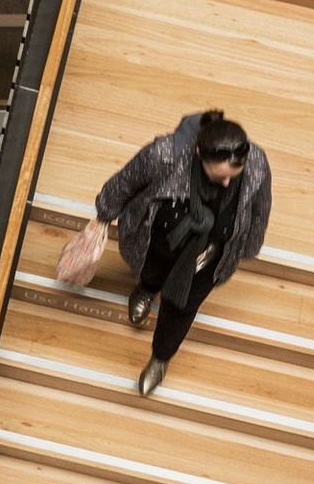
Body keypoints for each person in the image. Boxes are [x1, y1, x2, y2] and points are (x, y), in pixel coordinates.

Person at [93, 110, 271, 397]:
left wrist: (249, 245)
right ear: (199, 153)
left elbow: (261, 207)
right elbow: (126, 181)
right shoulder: (165, 154)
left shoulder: (256, 163)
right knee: (151, 270)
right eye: (220, 177)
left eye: (233, 178)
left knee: (182, 308)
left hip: (207, 257)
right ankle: (146, 289)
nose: (227, 184)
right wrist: (103, 214)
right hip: (159, 239)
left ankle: (160, 358)